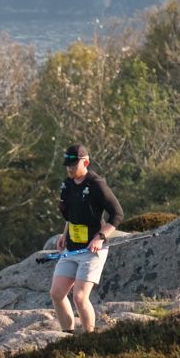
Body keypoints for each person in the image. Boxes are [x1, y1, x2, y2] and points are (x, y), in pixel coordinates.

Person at [50, 143, 123, 335]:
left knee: (80, 297)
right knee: (57, 294)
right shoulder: (66, 185)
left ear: (86, 162)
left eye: (74, 165)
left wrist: (100, 238)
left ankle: (90, 337)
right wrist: (64, 234)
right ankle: (68, 335)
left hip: (92, 250)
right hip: (72, 248)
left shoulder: (96, 185)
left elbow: (117, 215)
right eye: (68, 165)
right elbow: (71, 214)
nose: (70, 168)